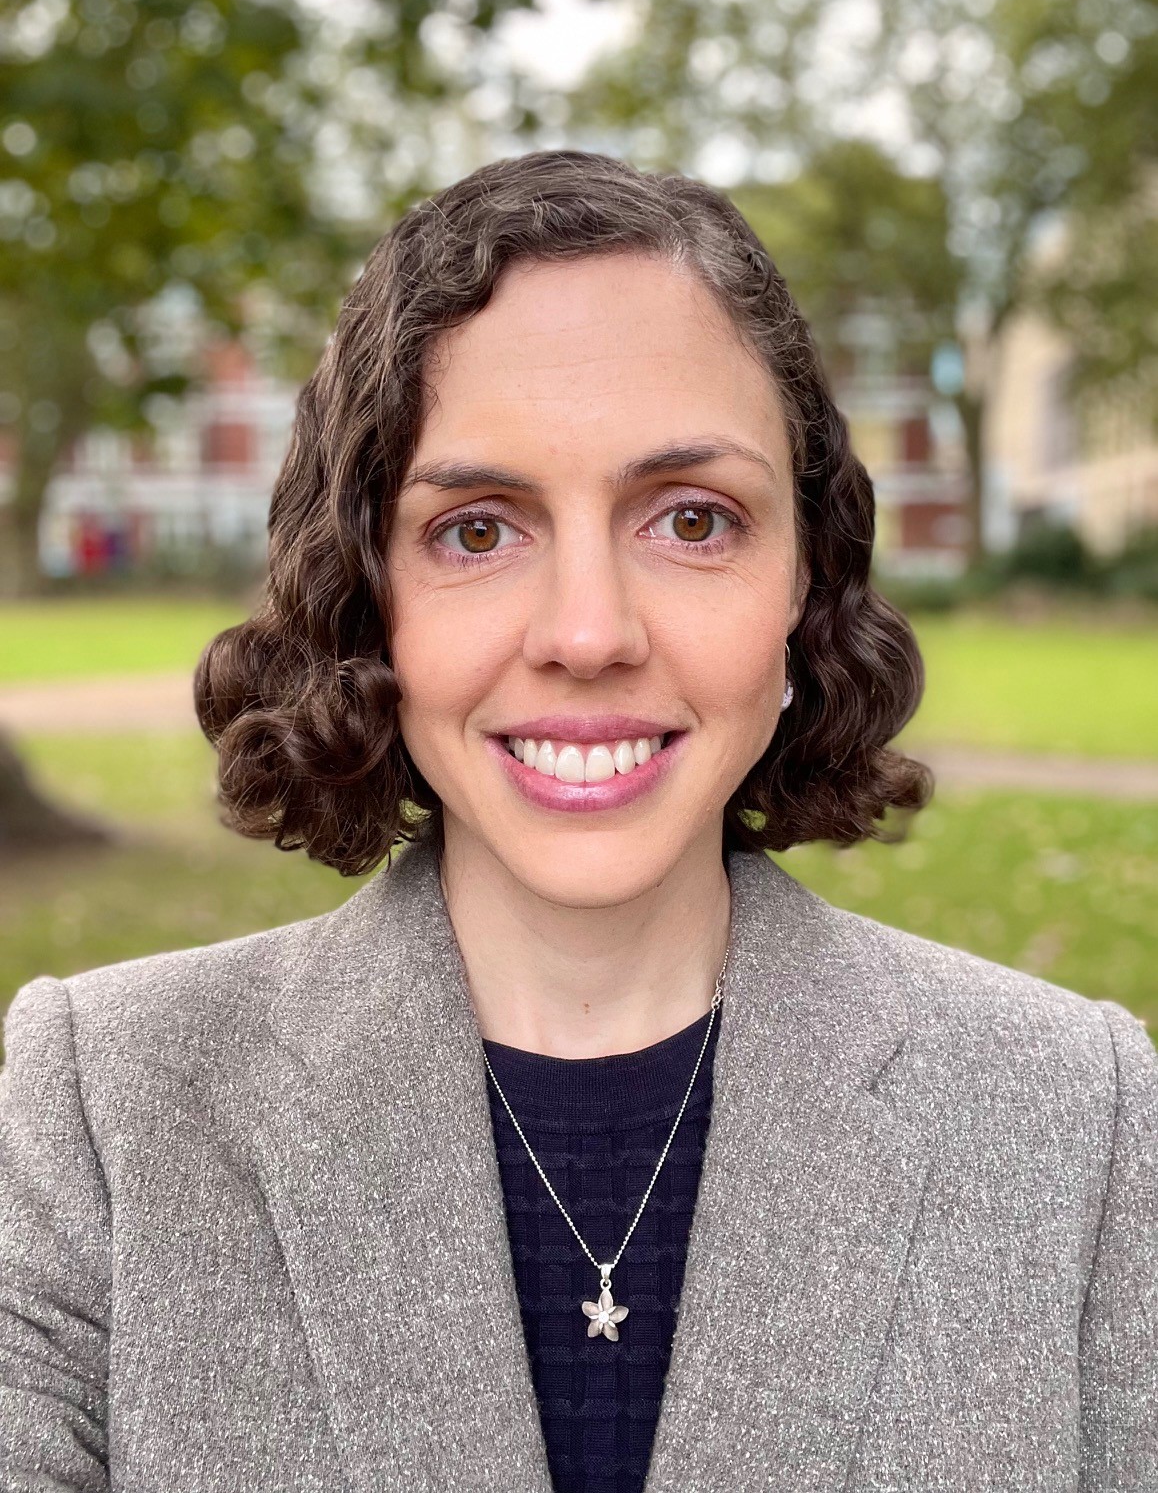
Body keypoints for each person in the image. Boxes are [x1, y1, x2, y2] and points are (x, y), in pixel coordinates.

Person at [1, 149, 1155, 1493]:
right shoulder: (99, 1110)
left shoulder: (1079, 1112)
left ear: (803, 584)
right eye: (478, 531)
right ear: (367, 596)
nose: (589, 634)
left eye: (690, 518)